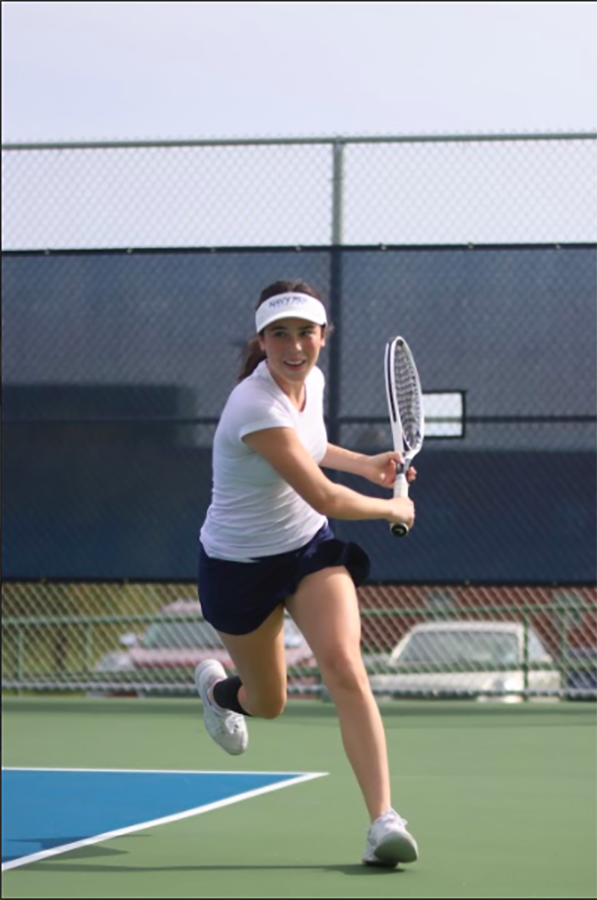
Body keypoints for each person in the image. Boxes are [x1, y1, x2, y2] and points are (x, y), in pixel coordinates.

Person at [195, 279, 419, 868]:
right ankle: (220, 694)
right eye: (280, 335)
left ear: (323, 337)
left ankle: (383, 821)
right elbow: (324, 495)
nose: (294, 347)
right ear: (262, 341)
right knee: (267, 704)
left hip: (305, 550)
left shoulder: (309, 382)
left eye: (305, 333)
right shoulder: (253, 404)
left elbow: (313, 449)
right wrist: (392, 506)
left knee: (346, 665)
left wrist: (367, 464)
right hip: (237, 568)